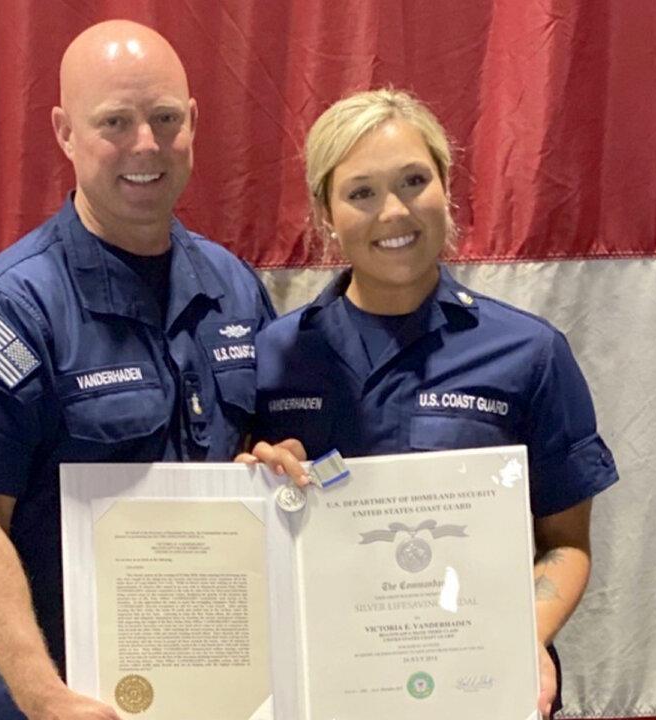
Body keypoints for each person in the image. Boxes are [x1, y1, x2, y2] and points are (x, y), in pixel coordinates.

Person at [0, 20, 301, 720]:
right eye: (115, 123)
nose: (146, 146)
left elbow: (252, 449)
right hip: (56, 695)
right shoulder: (13, 310)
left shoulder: (233, 287)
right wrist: (43, 697)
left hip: (208, 680)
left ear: (192, 122)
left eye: (163, 119)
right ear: (65, 132)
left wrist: (270, 460)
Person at [251, 88, 619, 718]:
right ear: (325, 213)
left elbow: (566, 544)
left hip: (483, 688)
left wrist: (519, 643)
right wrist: (256, 480)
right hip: (329, 690)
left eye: (413, 181)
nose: (393, 212)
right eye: (361, 192)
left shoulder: (530, 353)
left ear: (447, 190)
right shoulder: (273, 359)